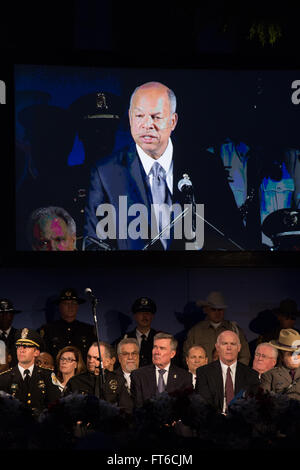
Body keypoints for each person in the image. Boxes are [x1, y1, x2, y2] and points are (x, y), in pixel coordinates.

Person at [84, 81, 247, 251]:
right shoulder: (105, 172)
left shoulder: (205, 165)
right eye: (139, 116)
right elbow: (94, 245)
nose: (147, 125)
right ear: (131, 118)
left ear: (173, 121)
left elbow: (232, 236)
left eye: (156, 116)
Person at [195, 330, 259, 414]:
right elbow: (204, 404)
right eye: (224, 344)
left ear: (239, 347)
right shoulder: (204, 372)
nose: (229, 348)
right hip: (213, 422)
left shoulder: (251, 375)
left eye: (233, 344)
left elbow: (252, 406)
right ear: (217, 347)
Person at [0, 328, 61, 416]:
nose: (21, 350)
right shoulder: (4, 378)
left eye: (26, 346)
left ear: (36, 352)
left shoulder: (47, 376)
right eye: (19, 346)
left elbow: (56, 407)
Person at [184, 291, 251, 365]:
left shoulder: (234, 330)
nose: (217, 313)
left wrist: (235, 373)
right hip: (203, 374)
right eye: (213, 309)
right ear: (206, 310)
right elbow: (186, 356)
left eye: (220, 310)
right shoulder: (196, 331)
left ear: (224, 310)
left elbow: (245, 356)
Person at [64, 342, 132, 413]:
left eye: (96, 358)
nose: (91, 361)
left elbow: (126, 409)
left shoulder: (118, 380)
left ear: (107, 361)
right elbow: (65, 408)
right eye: (89, 357)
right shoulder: (75, 381)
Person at [130, 332, 193, 408]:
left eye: (162, 348)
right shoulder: (139, 376)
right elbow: (138, 407)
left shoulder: (184, 377)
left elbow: (186, 408)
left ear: (172, 354)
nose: (156, 352)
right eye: (155, 347)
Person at [39, 288, 97, 361]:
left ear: (77, 306)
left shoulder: (88, 330)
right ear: (59, 306)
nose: (70, 306)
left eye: (73, 303)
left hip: (83, 371)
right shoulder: (48, 330)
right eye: (66, 303)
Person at [114, 297, 158, 367]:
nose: (144, 316)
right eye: (141, 313)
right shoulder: (123, 340)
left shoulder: (160, 338)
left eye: (147, 313)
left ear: (152, 316)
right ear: (135, 316)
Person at [260, 329, 300, 400]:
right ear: (281, 356)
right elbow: (263, 402)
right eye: (292, 354)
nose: (297, 357)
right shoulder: (269, 376)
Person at [0, 298, 22, 367]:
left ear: (12, 316)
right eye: (1, 313)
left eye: (8, 314)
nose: (4, 317)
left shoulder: (20, 336)